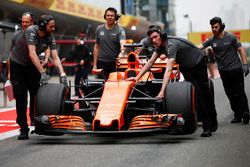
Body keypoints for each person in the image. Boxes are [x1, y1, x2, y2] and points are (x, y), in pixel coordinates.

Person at [127, 26, 218, 137]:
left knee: (205, 93)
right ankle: (207, 127)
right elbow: (150, 63)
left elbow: (168, 69)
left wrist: (162, 91)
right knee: (197, 95)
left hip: (198, 63)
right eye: (152, 39)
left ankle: (212, 123)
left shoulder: (171, 44)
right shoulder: (160, 47)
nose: (154, 40)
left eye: (155, 37)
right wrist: (136, 78)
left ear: (161, 35)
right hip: (186, 67)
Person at [9, 14, 67, 140]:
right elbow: (32, 54)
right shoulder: (31, 31)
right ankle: (23, 128)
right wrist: (42, 72)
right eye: (51, 26)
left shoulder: (50, 35)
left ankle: (36, 121)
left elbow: (55, 57)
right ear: (42, 25)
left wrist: (62, 74)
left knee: (36, 96)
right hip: (18, 66)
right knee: (21, 97)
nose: (53, 28)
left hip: (33, 67)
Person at [198, 16, 249, 124]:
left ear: (221, 26)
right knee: (230, 93)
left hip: (235, 69)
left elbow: (240, 49)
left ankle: (245, 113)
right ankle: (237, 114)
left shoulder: (231, 37)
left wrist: (245, 64)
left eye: (216, 27)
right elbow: (199, 46)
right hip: (223, 72)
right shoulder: (211, 40)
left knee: (239, 92)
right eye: (212, 27)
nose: (214, 29)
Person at [93, 7, 126, 79]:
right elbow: (96, 46)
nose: (110, 17)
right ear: (105, 16)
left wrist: (122, 52)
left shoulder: (120, 30)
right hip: (101, 63)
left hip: (115, 63)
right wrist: (95, 65)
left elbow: (123, 44)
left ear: (115, 17)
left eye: (112, 15)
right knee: (100, 86)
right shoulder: (99, 29)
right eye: (108, 15)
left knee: (113, 85)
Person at [69, 32, 92, 96]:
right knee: (77, 79)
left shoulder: (86, 47)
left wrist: (84, 60)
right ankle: (77, 92)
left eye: (78, 41)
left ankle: (85, 92)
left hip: (86, 66)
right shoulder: (77, 47)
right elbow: (73, 55)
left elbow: (90, 56)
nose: (77, 42)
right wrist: (65, 58)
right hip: (79, 66)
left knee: (84, 78)